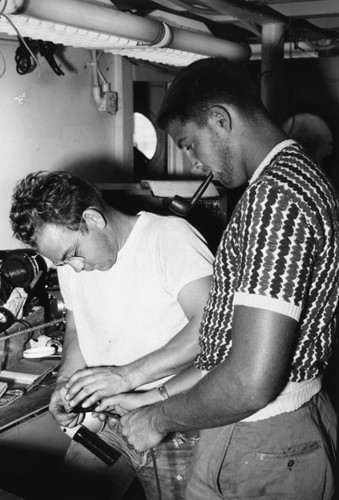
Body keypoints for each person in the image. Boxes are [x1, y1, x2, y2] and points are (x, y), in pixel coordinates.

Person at [88, 57, 339, 499]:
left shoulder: (275, 198)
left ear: (221, 120)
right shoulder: (292, 180)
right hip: (256, 433)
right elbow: (229, 342)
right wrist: (153, 397)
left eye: (189, 144)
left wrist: (156, 419)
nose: (195, 162)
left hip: (266, 441)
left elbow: (248, 380)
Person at [9, 170, 214, 500]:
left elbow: (212, 326)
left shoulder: (169, 237)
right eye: (62, 262)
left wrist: (126, 376)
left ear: (92, 218)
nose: (74, 268)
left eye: (73, 254)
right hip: (111, 422)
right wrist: (67, 386)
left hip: (178, 417)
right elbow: (77, 331)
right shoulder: (72, 266)